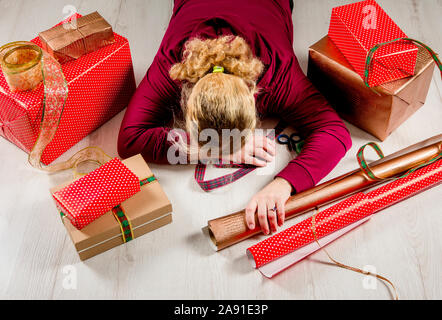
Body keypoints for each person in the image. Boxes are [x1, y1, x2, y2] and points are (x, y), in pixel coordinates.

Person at [118, 0, 352, 235]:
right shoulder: (174, 66)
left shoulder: (279, 75)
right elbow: (129, 139)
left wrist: (283, 185)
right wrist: (217, 150)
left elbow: (334, 133)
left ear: (254, 98)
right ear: (186, 97)